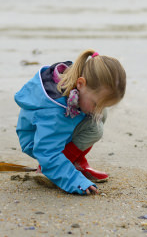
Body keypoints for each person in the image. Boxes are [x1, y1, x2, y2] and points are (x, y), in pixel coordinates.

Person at [14, 49, 126, 195]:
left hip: (54, 130)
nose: (97, 110)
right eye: (96, 103)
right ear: (80, 84)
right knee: (94, 129)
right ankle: (50, 169)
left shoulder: (80, 77)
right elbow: (46, 151)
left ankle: (75, 162)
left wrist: (97, 107)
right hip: (37, 142)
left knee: (100, 115)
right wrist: (75, 181)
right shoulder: (54, 110)